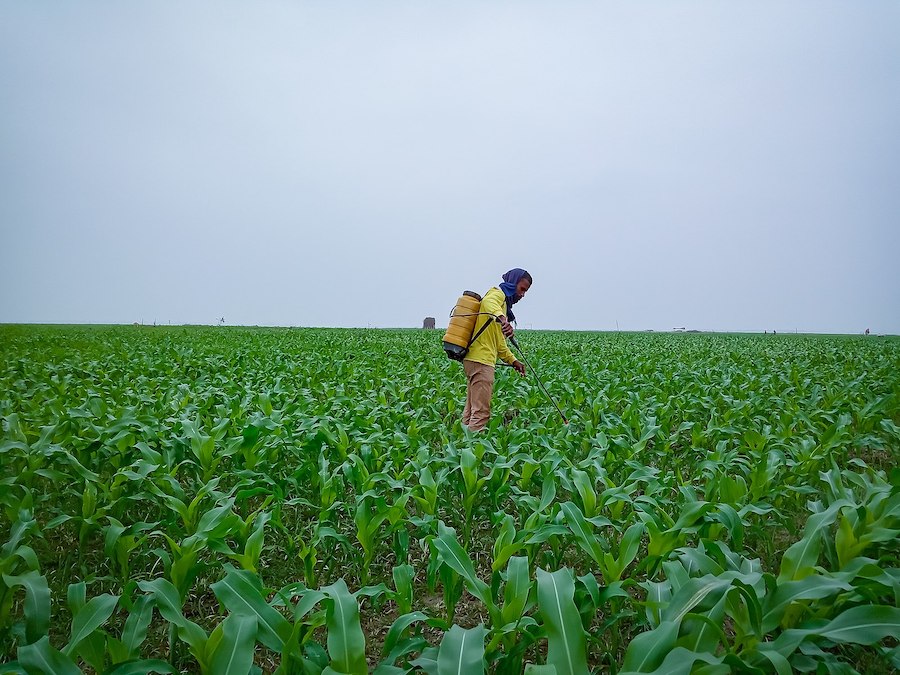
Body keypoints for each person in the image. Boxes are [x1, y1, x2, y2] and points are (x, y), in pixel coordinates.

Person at [462, 268, 531, 431]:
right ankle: (472, 453)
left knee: (470, 412)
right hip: (481, 361)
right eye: (522, 289)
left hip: (474, 359)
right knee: (481, 414)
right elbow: (488, 303)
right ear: (513, 283)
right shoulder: (498, 293)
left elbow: (499, 344)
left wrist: (514, 361)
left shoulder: (504, 306)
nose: (522, 295)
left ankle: (461, 448)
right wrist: (502, 318)